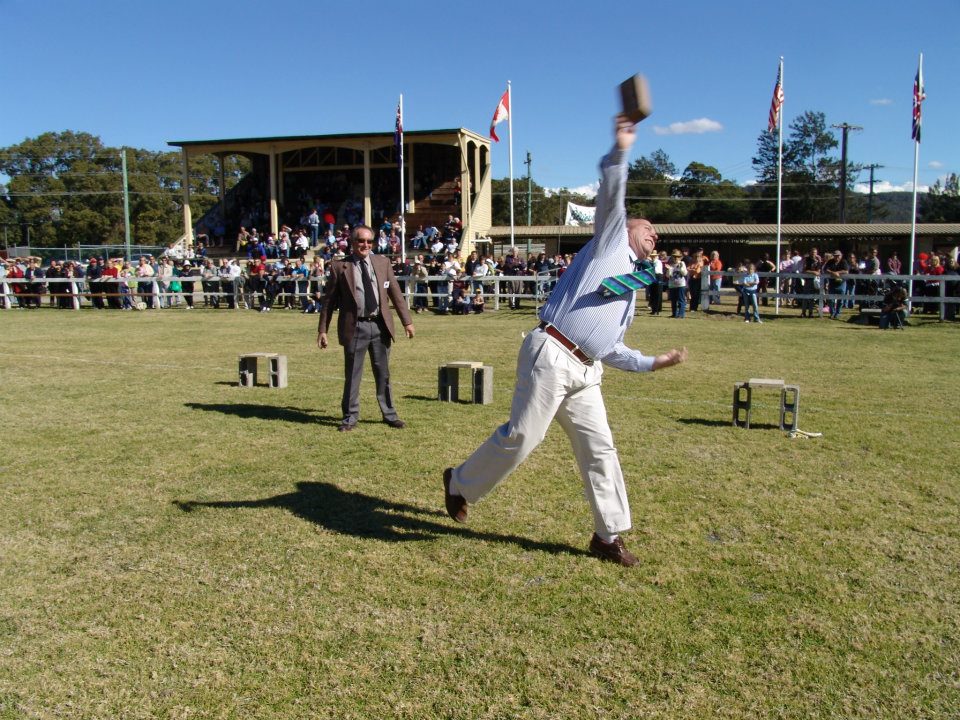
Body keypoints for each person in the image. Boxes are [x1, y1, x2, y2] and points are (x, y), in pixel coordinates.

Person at [441, 115, 688, 567]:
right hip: (551, 351)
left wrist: (653, 362)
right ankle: (459, 483)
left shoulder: (632, 286)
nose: (656, 235)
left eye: (657, 234)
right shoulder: (611, 241)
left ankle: (607, 535)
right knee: (521, 439)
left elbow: (611, 346)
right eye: (649, 227)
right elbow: (612, 193)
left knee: (601, 449)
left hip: (587, 370)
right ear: (629, 228)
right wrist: (621, 150)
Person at [317, 225, 415, 432]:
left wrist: (407, 321)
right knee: (353, 375)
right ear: (352, 243)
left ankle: (390, 414)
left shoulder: (382, 262)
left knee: (383, 373)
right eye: (361, 241)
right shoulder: (339, 267)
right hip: (354, 327)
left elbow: (396, 294)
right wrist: (322, 330)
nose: (365, 245)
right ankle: (350, 418)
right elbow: (328, 301)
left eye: (369, 242)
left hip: (380, 326)